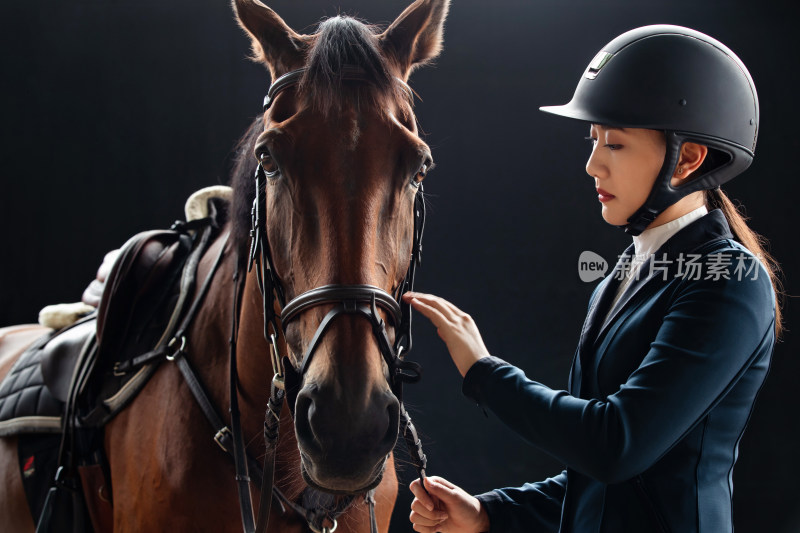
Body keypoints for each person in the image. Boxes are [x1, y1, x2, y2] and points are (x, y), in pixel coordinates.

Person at [405, 25, 782, 533]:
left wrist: (484, 371)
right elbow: (603, 484)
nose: (592, 164)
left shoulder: (731, 282)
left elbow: (615, 446)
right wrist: (489, 513)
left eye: (617, 144)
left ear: (688, 158)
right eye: (594, 140)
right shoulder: (622, 275)